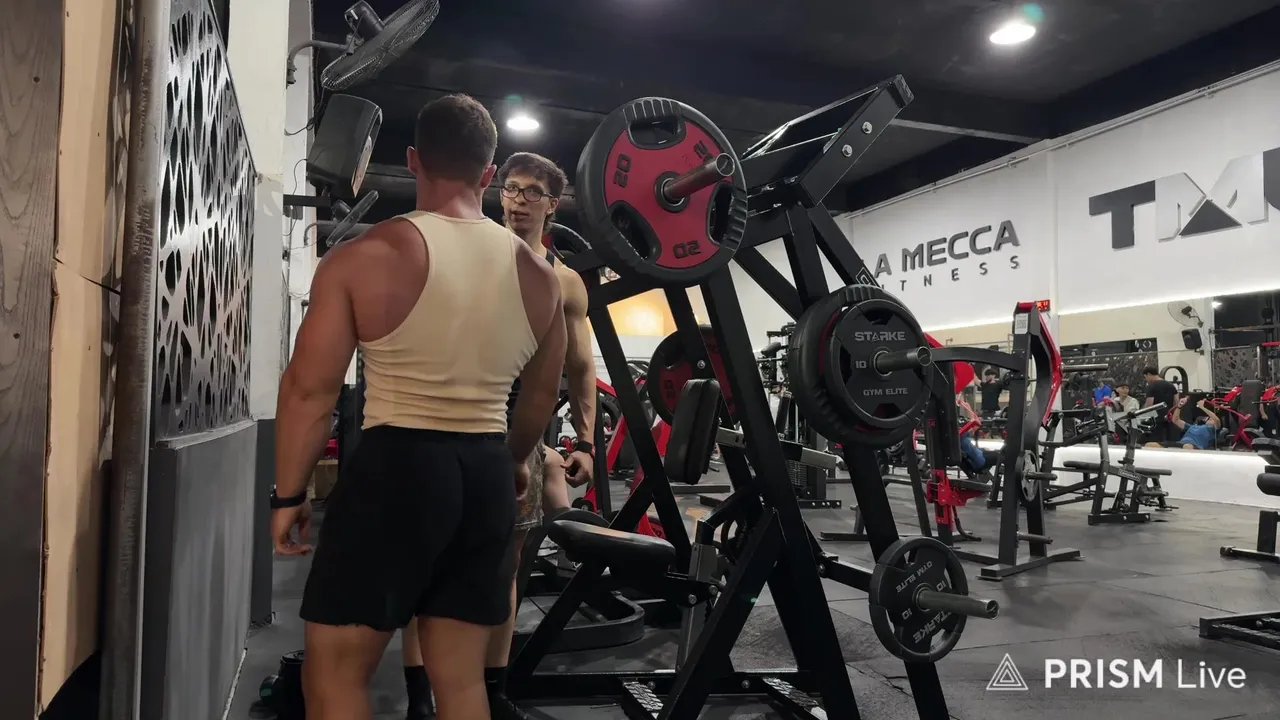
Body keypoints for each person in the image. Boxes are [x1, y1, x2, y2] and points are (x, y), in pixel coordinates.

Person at [270, 94, 568, 720]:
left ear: (412, 160)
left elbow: (309, 390)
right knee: (461, 682)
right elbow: (542, 395)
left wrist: (289, 494)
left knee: (337, 676)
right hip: (484, 473)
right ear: (490, 174)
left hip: (396, 471)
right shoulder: (541, 276)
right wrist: (514, 461)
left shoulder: (366, 256)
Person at [1146, 398, 1220, 450]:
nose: (1210, 418)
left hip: (1194, 447)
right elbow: (1175, 420)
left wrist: (1202, 407)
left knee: (1187, 447)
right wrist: (1179, 406)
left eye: (1211, 419)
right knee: (1149, 445)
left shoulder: (1213, 430)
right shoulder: (1192, 427)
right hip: (1180, 444)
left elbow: (1216, 419)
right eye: (1209, 418)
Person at [1142, 367, 1179, 443]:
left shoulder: (1151, 386)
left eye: (1145, 377)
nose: (1146, 380)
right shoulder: (1171, 386)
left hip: (1155, 420)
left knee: (1155, 442)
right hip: (1169, 418)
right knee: (1168, 442)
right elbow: (1176, 402)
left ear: (1148, 374)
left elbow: (1149, 406)